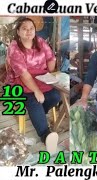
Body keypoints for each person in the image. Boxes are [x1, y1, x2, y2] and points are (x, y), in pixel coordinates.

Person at [5, 17, 61, 154]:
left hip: (42, 80)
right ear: (18, 31)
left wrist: (49, 67)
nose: (29, 31)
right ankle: (45, 135)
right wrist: (36, 90)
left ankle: (39, 112)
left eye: (31, 28)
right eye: (24, 29)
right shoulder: (14, 48)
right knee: (34, 100)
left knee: (56, 95)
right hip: (21, 82)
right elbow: (24, 75)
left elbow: (50, 59)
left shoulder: (40, 42)